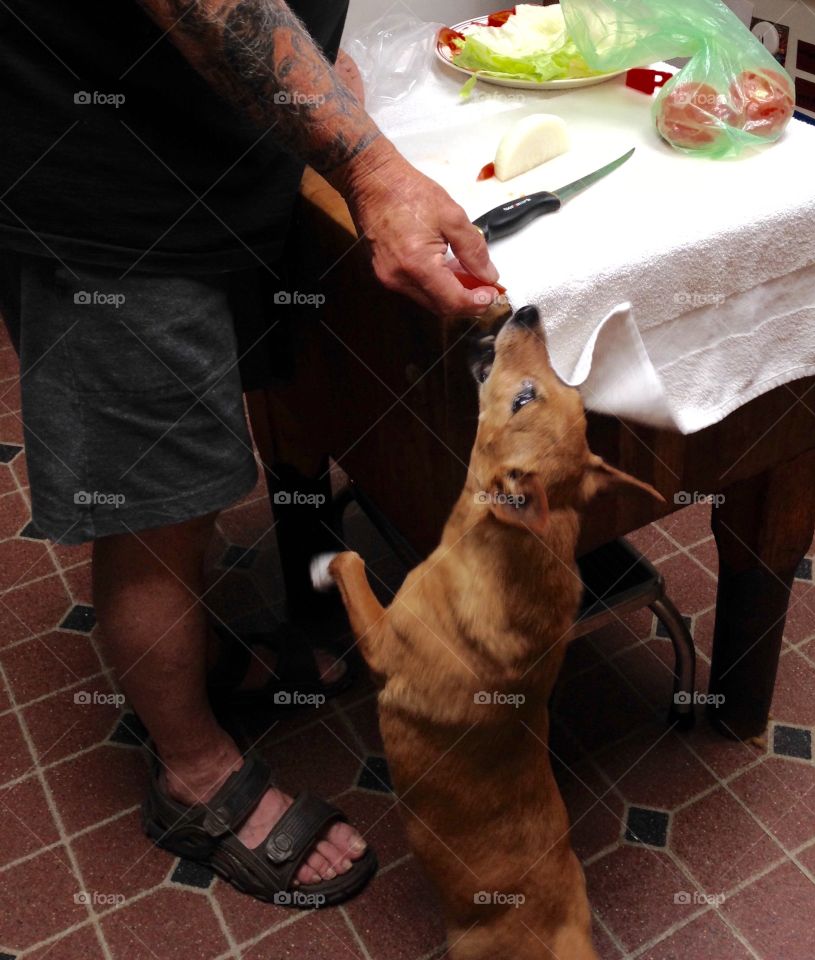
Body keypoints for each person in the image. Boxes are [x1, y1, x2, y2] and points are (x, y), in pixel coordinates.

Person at [0, 0, 500, 907]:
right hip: (110, 178)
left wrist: (314, 90)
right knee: (155, 498)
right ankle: (193, 777)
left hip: (206, 126)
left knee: (198, 442)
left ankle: (199, 661)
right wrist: (366, 162)